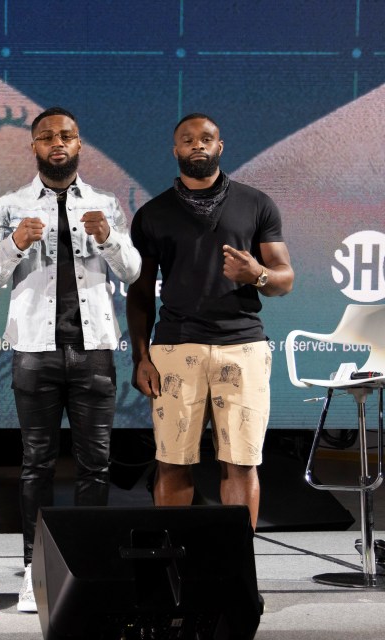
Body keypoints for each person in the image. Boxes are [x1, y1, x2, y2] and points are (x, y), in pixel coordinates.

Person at [0, 107, 142, 612]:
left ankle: (88, 564)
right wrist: (12, 245)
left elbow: (133, 271)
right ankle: (35, 570)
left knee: (95, 464)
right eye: (46, 136)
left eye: (66, 136)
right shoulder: (10, 205)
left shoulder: (105, 203)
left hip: (93, 351)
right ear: (33, 146)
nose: (57, 143)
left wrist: (109, 238)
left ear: (79, 144)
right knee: (37, 466)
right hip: (34, 351)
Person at [126, 113, 294, 531]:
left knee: (240, 463)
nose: (196, 145)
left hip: (243, 346)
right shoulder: (153, 213)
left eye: (206, 138)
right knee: (171, 463)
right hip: (175, 349)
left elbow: (284, 278)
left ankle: (237, 571)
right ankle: (173, 569)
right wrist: (141, 358)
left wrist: (256, 274)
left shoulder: (256, 203)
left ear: (220, 147)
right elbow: (141, 293)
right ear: (175, 151)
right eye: (187, 140)